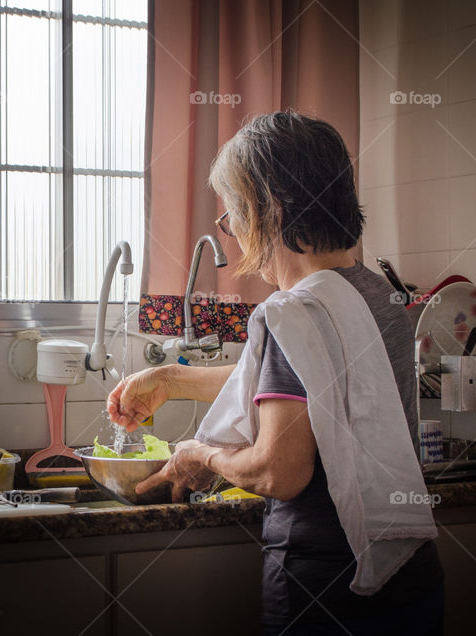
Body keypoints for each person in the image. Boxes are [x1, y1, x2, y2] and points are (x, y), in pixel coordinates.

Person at [108, 112, 443, 635]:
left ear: (269, 208)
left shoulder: (295, 311)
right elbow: (303, 381)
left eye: (232, 215)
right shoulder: (376, 294)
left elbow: (277, 473)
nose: (234, 234)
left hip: (327, 584)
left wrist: (202, 455)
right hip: (410, 574)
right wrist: (170, 379)